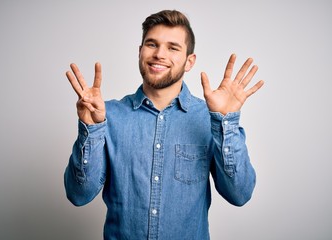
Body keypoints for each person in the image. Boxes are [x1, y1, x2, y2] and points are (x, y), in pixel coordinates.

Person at [64, 9, 264, 240]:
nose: (159, 54)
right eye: (151, 44)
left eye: (173, 47)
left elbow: (239, 194)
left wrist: (225, 121)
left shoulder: (209, 118)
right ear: (140, 52)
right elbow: (78, 195)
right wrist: (91, 130)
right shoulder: (107, 115)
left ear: (190, 61)